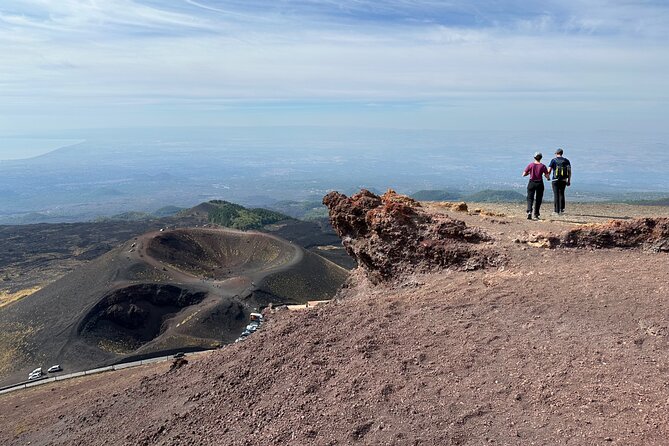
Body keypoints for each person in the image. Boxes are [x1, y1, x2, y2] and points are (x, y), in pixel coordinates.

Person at [522, 152, 550, 220]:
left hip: (531, 182)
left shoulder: (530, 165)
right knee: (538, 199)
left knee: (530, 198)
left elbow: (523, 174)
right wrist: (548, 178)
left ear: (534, 157)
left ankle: (529, 211)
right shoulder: (543, 166)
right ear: (541, 158)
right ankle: (536, 214)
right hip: (540, 183)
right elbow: (547, 176)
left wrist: (529, 173)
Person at [548, 148, 571, 214]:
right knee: (562, 194)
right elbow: (569, 171)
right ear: (562, 153)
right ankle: (562, 209)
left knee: (556, 194)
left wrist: (547, 176)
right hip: (563, 180)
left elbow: (549, 170)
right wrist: (568, 180)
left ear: (556, 153)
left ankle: (556, 211)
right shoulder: (566, 161)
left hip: (555, 180)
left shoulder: (553, 160)